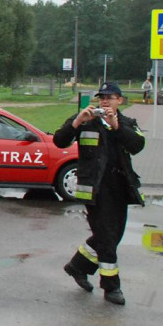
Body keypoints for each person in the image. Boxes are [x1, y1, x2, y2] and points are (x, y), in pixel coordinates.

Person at [56, 82, 145, 306]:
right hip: (94, 188)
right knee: (106, 236)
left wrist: (117, 127)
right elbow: (59, 141)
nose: (105, 101)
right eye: (102, 97)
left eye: (110, 97)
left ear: (119, 101)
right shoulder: (86, 119)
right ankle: (111, 287)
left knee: (113, 235)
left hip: (120, 187)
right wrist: (77, 122)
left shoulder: (126, 122)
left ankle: (77, 266)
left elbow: (137, 145)